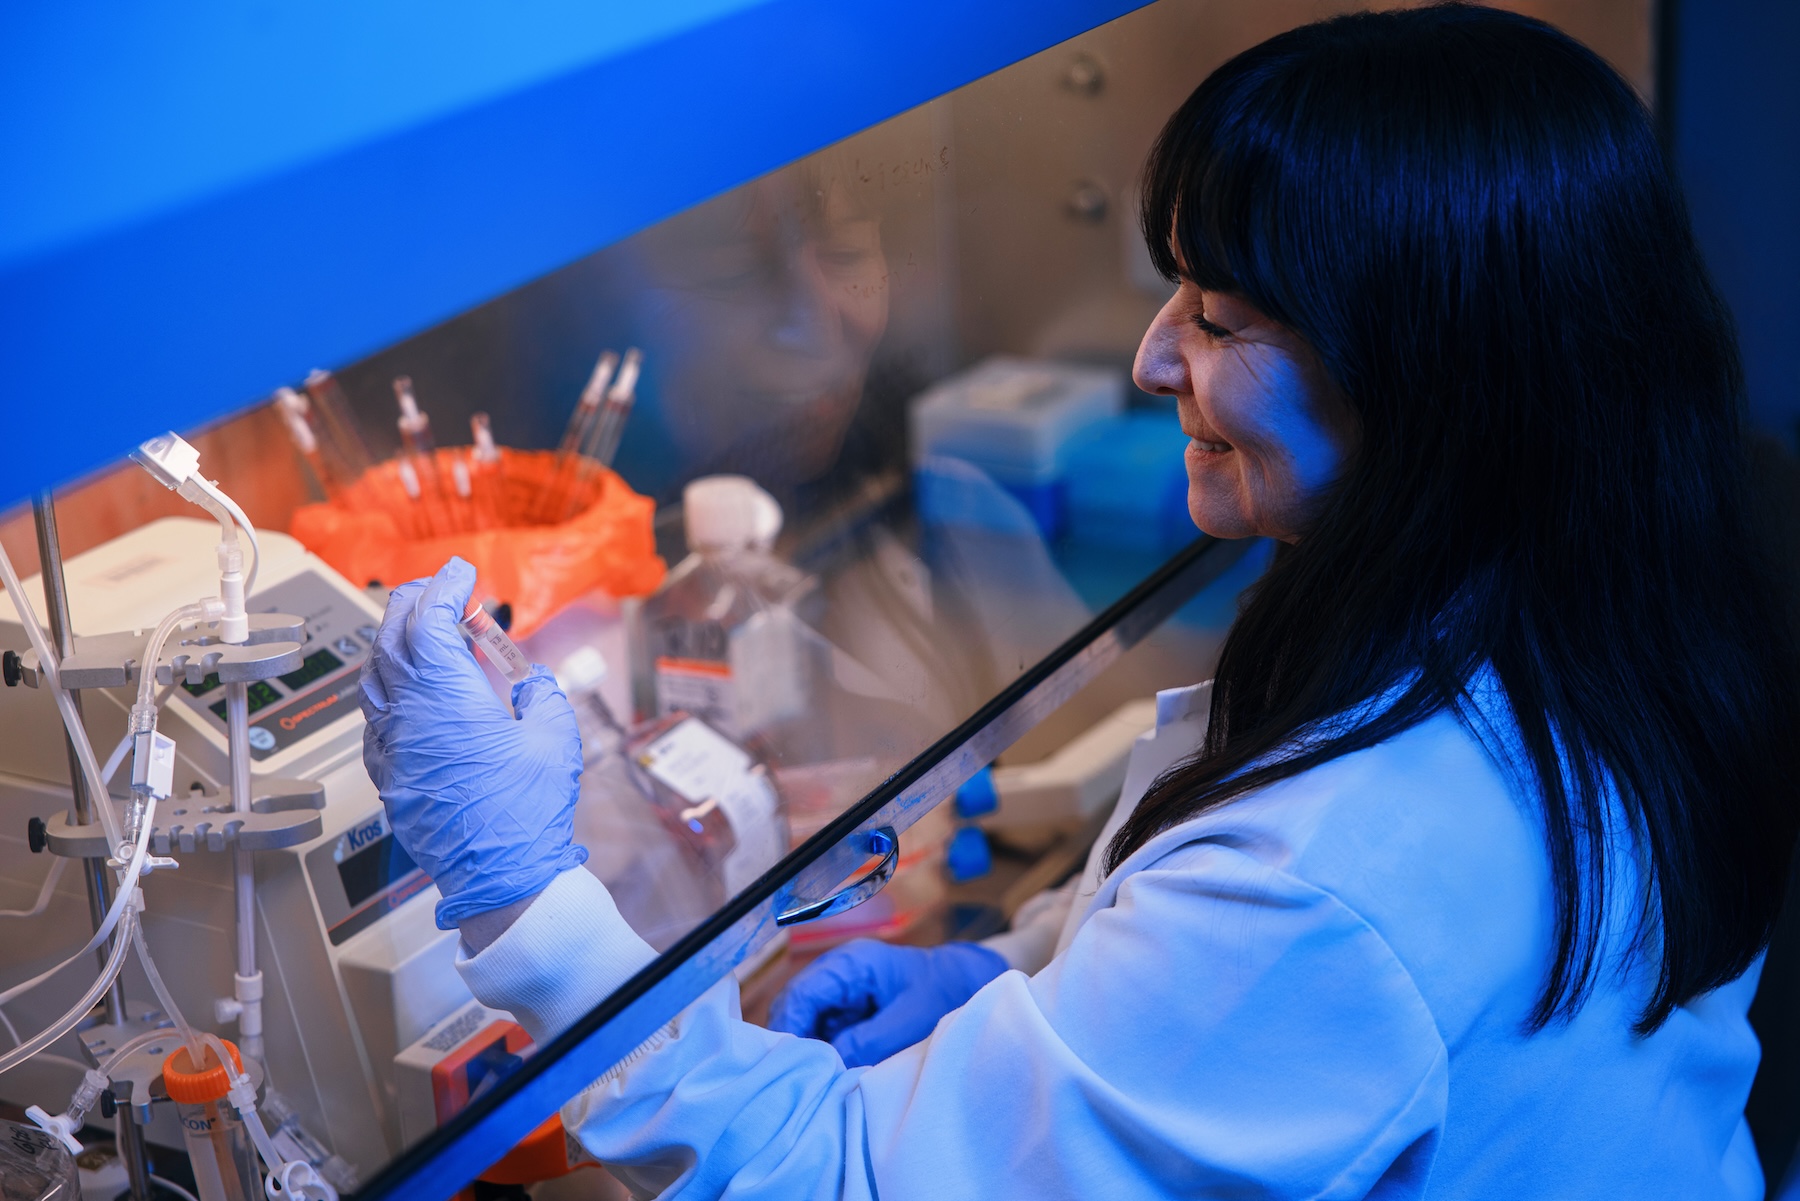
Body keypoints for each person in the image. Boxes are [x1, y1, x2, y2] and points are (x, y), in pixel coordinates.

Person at [359, 7, 1800, 1197]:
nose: (1154, 360)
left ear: (1435, 388)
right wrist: (1018, 971)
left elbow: (837, 1180)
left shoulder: (1338, 876)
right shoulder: (1620, 585)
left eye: (1224, 320)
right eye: (1174, 290)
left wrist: (518, 891)